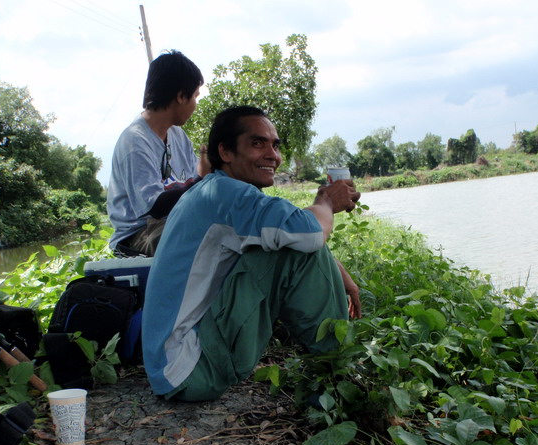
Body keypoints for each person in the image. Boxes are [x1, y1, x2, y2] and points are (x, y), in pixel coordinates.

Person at [142, 106, 362, 402]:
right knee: (294, 241)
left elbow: (295, 232)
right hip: (189, 370)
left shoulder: (212, 190)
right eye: (258, 143)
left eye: (275, 145)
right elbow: (308, 233)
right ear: (226, 152)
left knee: (286, 238)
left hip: (170, 368)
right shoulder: (227, 194)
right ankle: (336, 376)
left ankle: (331, 365)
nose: (273, 154)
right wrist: (325, 201)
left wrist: (341, 274)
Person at [107, 50, 208, 256]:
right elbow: (155, 207)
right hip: (138, 234)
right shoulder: (135, 141)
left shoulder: (178, 136)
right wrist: (203, 179)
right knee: (203, 238)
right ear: (181, 96)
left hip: (173, 222)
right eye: (195, 96)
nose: (195, 105)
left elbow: (193, 182)